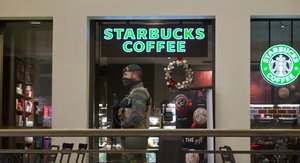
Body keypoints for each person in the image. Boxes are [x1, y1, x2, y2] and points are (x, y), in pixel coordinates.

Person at [118, 64, 151, 163]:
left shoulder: (139, 92)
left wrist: (122, 125)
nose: (123, 77)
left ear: (135, 76)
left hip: (135, 136)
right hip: (132, 136)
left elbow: (137, 116)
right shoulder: (134, 93)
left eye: (125, 74)